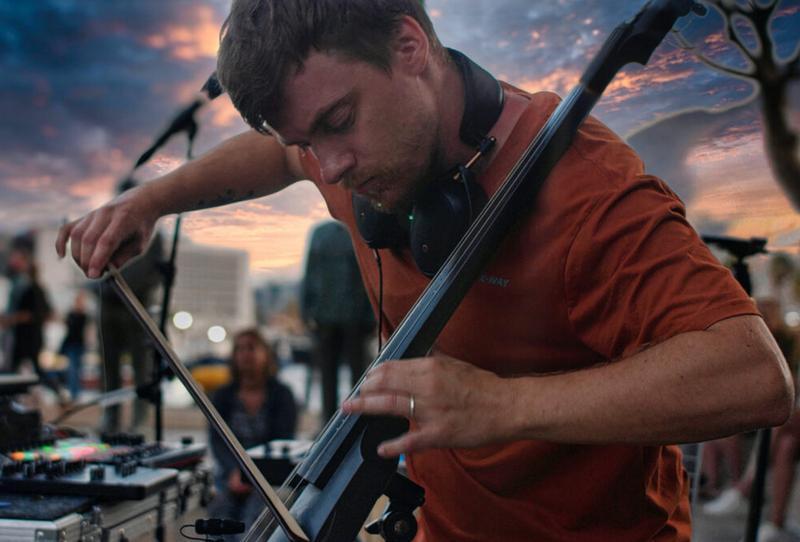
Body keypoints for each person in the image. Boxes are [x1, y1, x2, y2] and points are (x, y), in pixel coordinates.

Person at [55, 2, 794, 540]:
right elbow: (281, 152)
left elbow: (753, 376)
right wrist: (148, 201)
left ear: (410, 46)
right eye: (307, 140)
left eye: (338, 123)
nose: (328, 167)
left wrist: (501, 407)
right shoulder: (339, 146)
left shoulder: (588, 186)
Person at [703, 298, 799, 542]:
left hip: (782, 413)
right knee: (785, 444)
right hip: (780, 415)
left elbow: (785, 389)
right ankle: (772, 521)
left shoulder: (785, 341)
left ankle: (743, 488)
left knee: (782, 421)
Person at [206, 328, 297, 536]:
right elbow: (217, 442)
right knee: (219, 510)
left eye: (252, 348)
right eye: (240, 349)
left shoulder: (282, 395)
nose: (245, 354)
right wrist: (234, 473)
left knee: (260, 511)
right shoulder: (223, 395)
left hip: (268, 475)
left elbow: (283, 440)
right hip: (230, 475)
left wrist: (252, 476)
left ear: (265, 354)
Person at [95, 178, 164, 434]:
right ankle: (110, 417)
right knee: (108, 367)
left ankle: (139, 421)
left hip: (137, 307)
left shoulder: (153, 233)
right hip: (109, 306)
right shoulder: (104, 227)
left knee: (141, 368)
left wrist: (130, 287)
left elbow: (155, 272)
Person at [300, 220, 375, 421]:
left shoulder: (326, 233)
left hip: (341, 315)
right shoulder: (351, 230)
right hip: (343, 315)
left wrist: (306, 311)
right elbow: (369, 275)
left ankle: (349, 420)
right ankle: (345, 422)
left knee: (351, 375)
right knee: (343, 375)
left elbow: (309, 273)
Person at [2, 236, 67, 403]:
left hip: (28, 337)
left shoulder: (32, 288)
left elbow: (35, 313)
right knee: (17, 370)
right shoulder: (25, 285)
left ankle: (58, 392)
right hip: (25, 337)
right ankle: (11, 401)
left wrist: (10, 319)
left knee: (22, 371)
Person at [59, 290, 89, 401]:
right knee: (73, 370)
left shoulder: (82, 315)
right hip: (72, 344)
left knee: (75, 370)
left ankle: (75, 393)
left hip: (78, 344)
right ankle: (74, 393)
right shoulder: (73, 314)